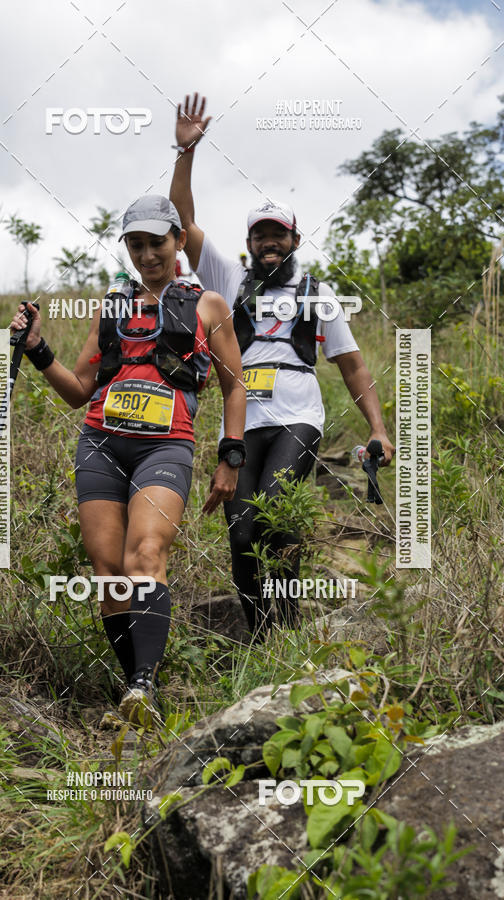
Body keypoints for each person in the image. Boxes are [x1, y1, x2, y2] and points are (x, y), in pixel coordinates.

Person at [9, 195, 246, 723]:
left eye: (156, 242)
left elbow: (235, 387)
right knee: (109, 573)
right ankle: (136, 691)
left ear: (178, 241)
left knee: (147, 553)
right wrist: (37, 348)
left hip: (166, 445)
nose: (147, 254)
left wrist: (230, 456)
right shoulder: (112, 307)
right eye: (135, 245)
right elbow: (78, 390)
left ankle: (142, 685)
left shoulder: (208, 306)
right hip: (100, 444)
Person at [170, 93, 395, 638]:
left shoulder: (319, 294)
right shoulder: (227, 279)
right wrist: (186, 152)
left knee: (276, 513)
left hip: (298, 416)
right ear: (249, 243)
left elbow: (352, 366)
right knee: (241, 532)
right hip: (242, 419)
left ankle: (288, 627)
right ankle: (263, 637)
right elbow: (182, 220)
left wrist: (378, 428)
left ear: (294, 239)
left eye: (279, 234)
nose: (270, 242)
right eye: (260, 235)